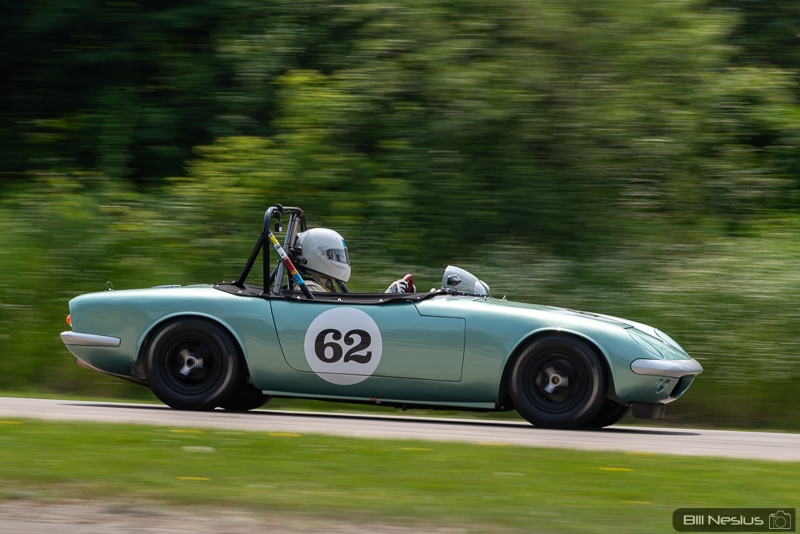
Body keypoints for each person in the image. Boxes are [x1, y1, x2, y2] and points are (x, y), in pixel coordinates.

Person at [292, 228, 415, 294]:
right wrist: (388, 297)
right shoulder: (308, 288)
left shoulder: (323, 284)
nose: (341, 260)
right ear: (319, 255)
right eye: (337, 256)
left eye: (341, 256)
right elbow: (338, 316)